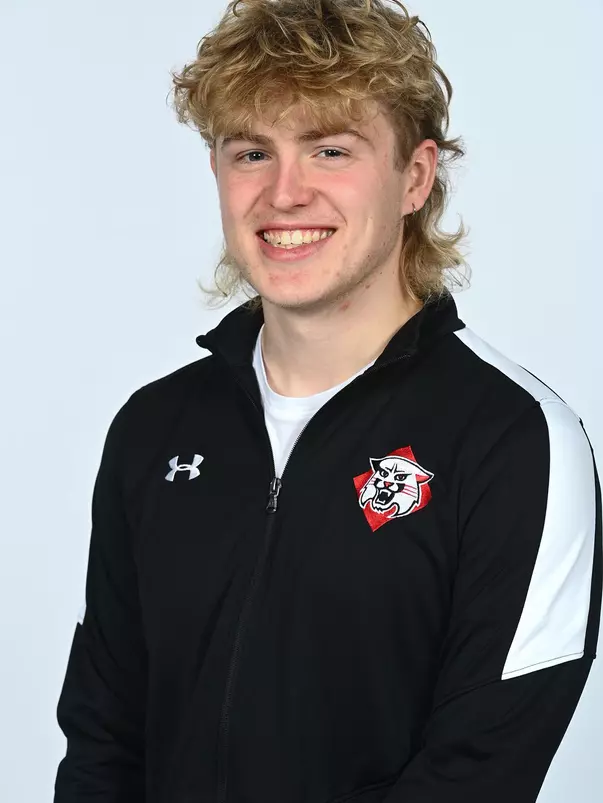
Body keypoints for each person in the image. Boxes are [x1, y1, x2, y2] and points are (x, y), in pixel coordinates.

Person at [53, 1, 601, 802]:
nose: (284, 193)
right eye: (251, 152)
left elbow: (478, 769)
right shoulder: (154, 427)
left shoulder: (515, 442)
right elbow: (104, 736)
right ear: (216, 171)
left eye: (330, 149)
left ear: (414, 177)